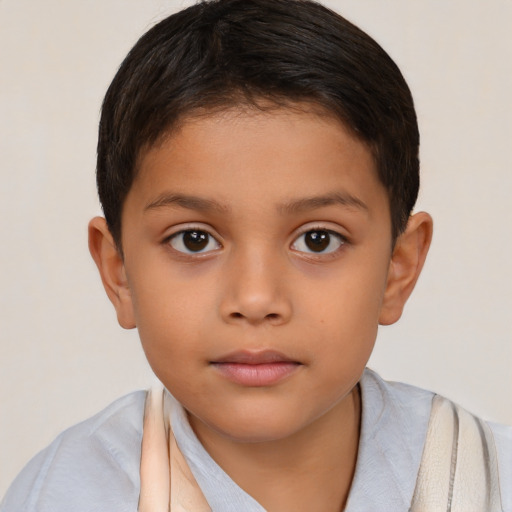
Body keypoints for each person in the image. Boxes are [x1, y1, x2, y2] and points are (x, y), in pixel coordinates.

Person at [1, 0, 510, 510]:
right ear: (120, 274)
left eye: (318, 239)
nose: (255, 298)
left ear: (398, 269)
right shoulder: (63, 493)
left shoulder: (491, 480)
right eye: (194, 239)